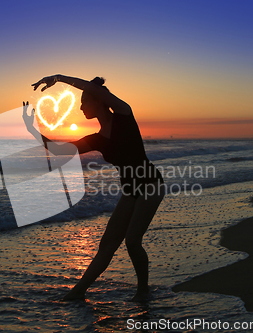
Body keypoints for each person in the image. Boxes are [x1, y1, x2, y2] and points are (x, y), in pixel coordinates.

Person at [23, 74, 165, 302]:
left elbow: (94, 89)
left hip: (151, 184)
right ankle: (78, 291)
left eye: (83, 102)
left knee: (132, 241)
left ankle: (142, 290)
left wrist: (58, 78)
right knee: (107, 245)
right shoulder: (97, 139)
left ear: (98, 100)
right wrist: (32, 130)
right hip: (130, 191)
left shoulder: (123, 114)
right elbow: (60, 151)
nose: (80, 108)